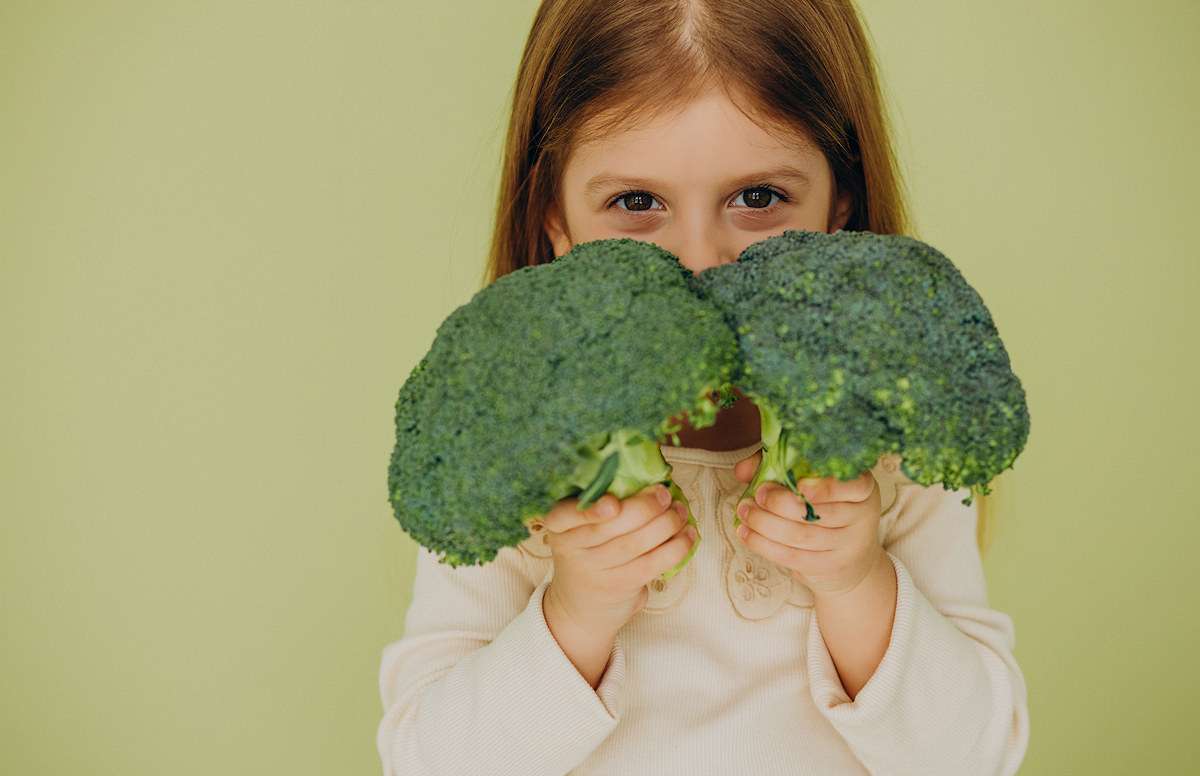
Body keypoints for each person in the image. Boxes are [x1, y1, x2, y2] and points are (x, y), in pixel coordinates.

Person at [377, 1, 1030, 773]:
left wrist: (857, 586)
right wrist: (575, 612)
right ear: (554, 219)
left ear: (840, 205)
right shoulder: (516, 451)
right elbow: (428, 760)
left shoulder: (890, 434)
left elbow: (974, 756)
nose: (701, 258)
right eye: (635, 203)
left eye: (757, 198)